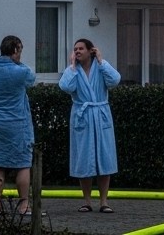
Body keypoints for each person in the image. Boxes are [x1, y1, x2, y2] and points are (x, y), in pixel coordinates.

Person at [59, 37, 122, 213]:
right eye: (75, 49)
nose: (77, 51)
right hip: (82, 117)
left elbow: (115, 80)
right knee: (84, 158)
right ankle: (87, 201)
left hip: (101, 115)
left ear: (90, 51)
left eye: (81, 49)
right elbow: (65, 86)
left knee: (104, 158)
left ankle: (104, 202)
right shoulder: (73, 70)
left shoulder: (101, 68)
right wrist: (72, 66)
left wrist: (101, 61)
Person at [0, 35, 35, 216]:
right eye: (20, 50)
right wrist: (18, 63)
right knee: (23, 164)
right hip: (17, 125)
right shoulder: (22, 72)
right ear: (15, 50)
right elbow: (31, 79)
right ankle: (23, 205)